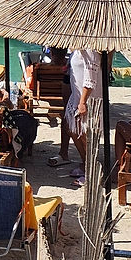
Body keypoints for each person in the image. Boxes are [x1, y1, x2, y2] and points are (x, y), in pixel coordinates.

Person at [50, 48, 101, 177]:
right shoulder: (76, 51)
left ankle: (90, 166)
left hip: (87, 99)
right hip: (76, 97)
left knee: (84, 134)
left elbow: (90, 79)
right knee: (72, 129)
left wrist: (83, 102)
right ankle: (86, 163)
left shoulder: (90, 51)